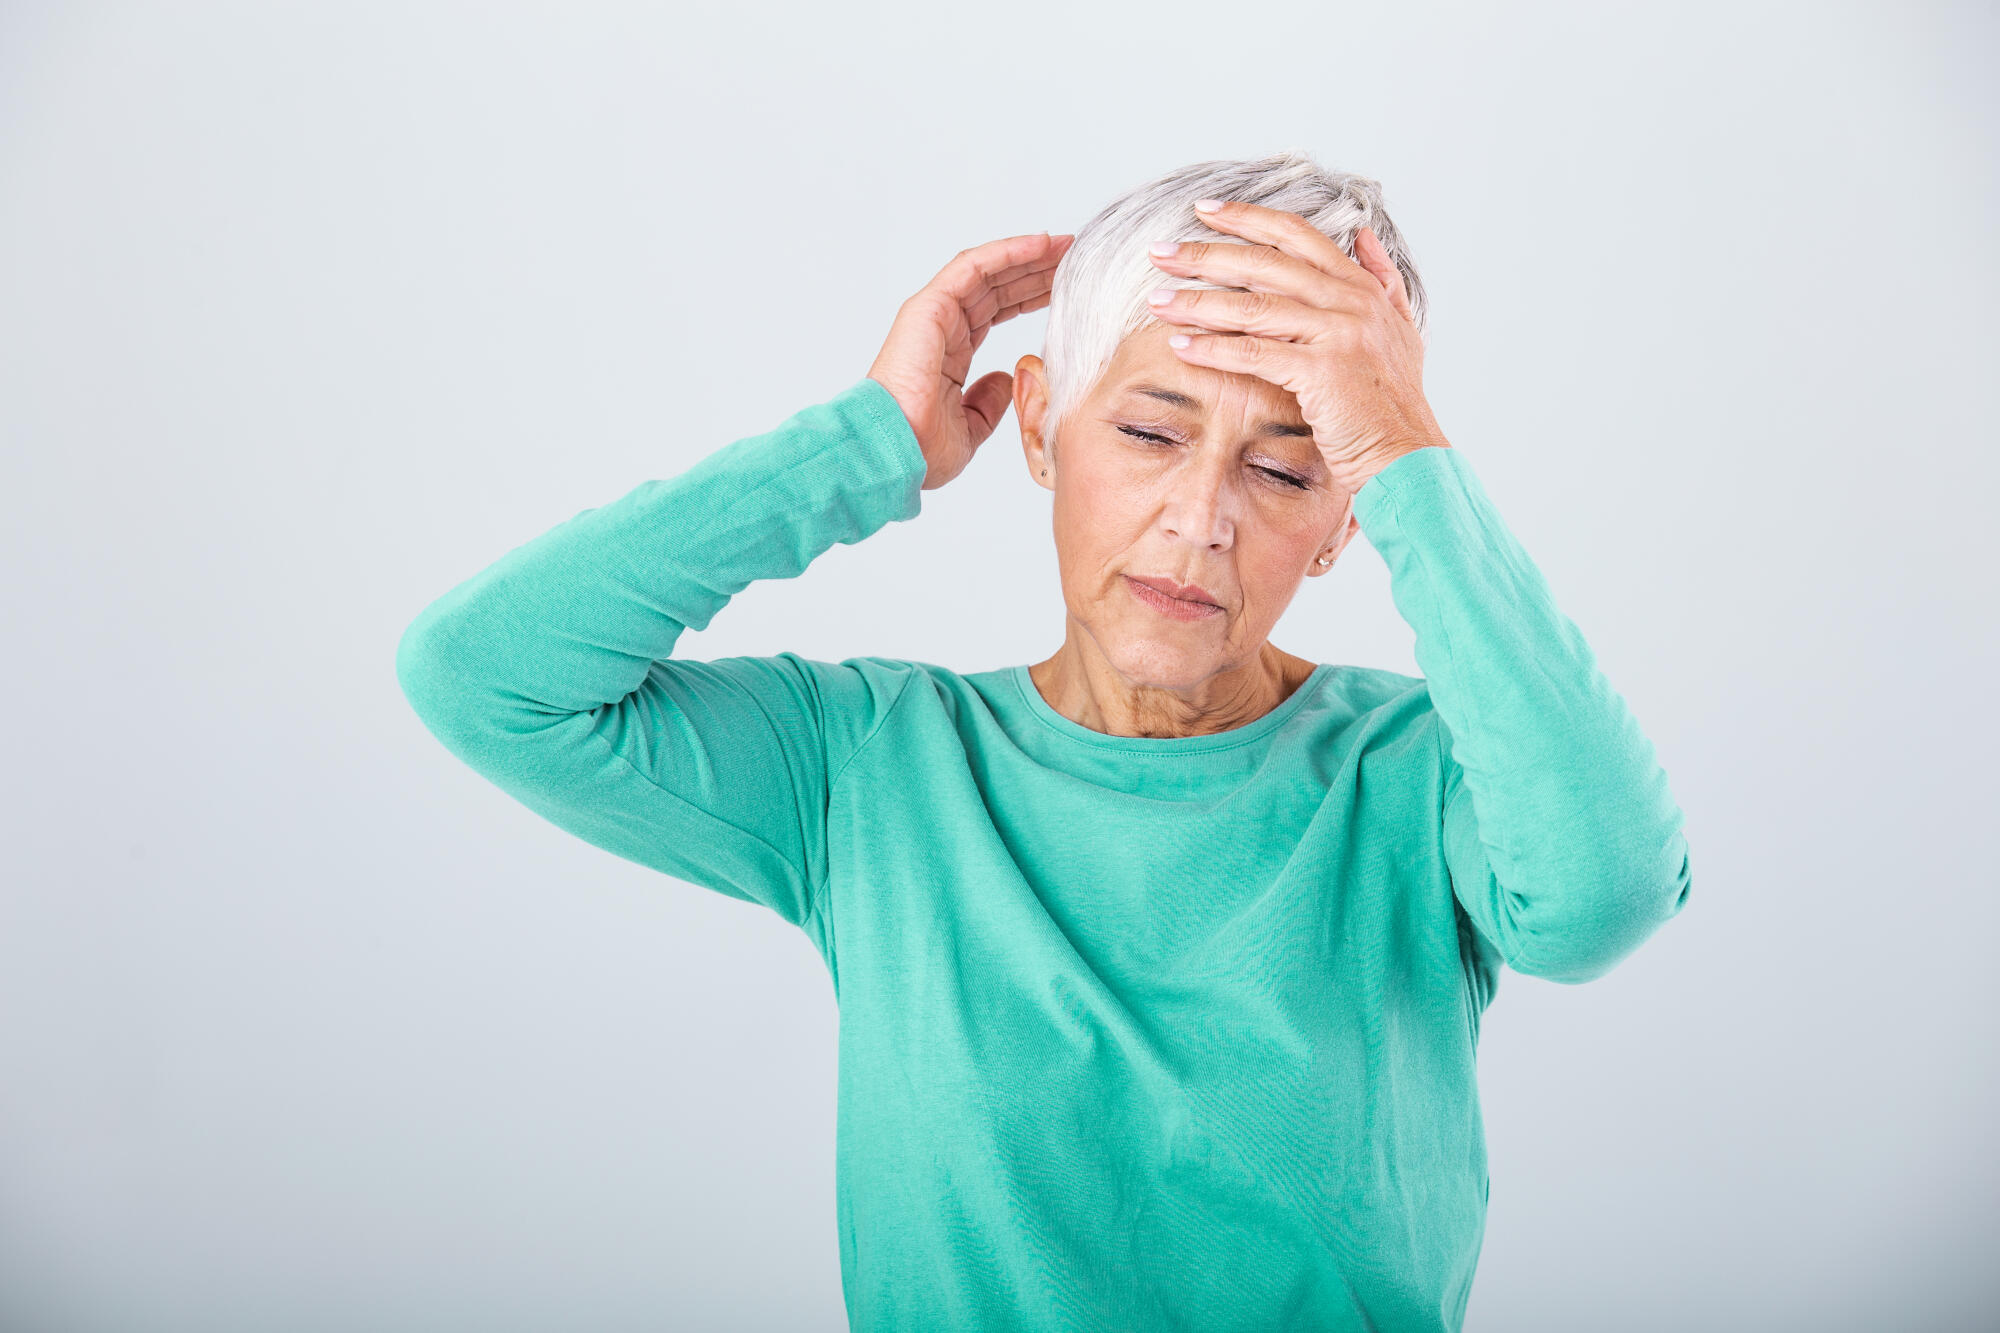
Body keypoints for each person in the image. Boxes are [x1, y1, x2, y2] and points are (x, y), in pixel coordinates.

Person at [395, 150, 1693, 1333]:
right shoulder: (876, 767)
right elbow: (485, 678)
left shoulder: (1421, 778)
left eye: (1289, 470)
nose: (1200, 522)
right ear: (1036, 425)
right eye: (1147, 431)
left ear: (1349, 518)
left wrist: (1406, 452)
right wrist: (870, 443)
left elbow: (1601, 893)